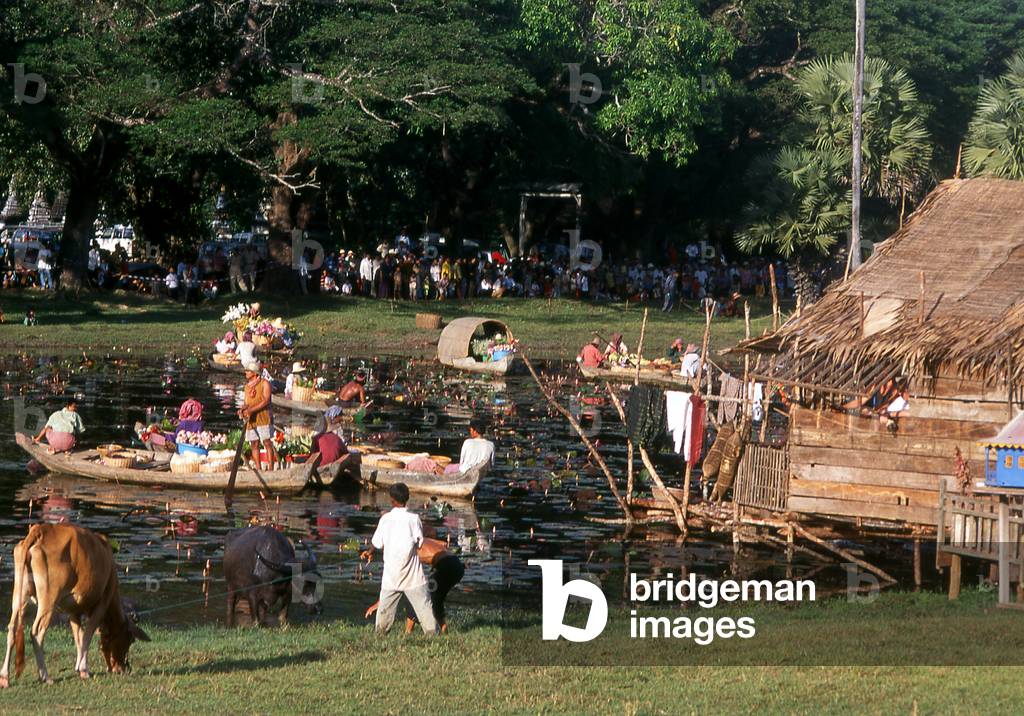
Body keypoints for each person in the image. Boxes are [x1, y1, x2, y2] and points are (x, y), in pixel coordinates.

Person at [359, 483, 438, 635]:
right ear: (407, 499)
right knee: (425, 609)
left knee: (383, 615)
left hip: (391, 577)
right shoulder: (414, 519)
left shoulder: (385, 519)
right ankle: (432, 635)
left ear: (392, 500)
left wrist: (369, 552)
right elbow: (419, 543)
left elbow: (376, 543)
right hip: (412, 575)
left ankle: (380, 635)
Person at [365, 532, 465, 635]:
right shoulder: (419, 540)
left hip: (445, 565)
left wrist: (380, 603)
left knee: (418, 596)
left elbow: (396, 581)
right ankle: (445, 633)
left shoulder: (406, 550)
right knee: (435, 600)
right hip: (456, 565)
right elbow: (443, 544)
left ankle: (408, 633)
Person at [239, 360, 277, 471]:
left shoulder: (265, 383)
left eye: (248, 371)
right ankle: (258, 468)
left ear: (254, 373)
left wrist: (251, 410)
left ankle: (270, 468)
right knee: (254, 443)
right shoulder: (247, 387)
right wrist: (242, 409)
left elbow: (265, 401)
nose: (245, 372)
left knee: (266, 442)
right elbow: (246, 402)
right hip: (251, 419)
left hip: (263, 417)